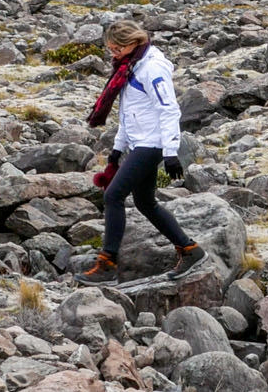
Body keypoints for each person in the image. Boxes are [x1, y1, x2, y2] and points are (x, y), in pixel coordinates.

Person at [77, 20, 206, 284]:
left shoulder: (153, 69)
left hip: (153, 143)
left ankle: (107, 265)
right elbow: (129, 114)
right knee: (145, 203)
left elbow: (168, 109)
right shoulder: (130, 67)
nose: (112, 54)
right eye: (110, 49)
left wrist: (171, 151)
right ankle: (190, 250)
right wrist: (116, 151)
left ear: (132, 43)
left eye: (116, 49)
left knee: (113, 196)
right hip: (140, 142)